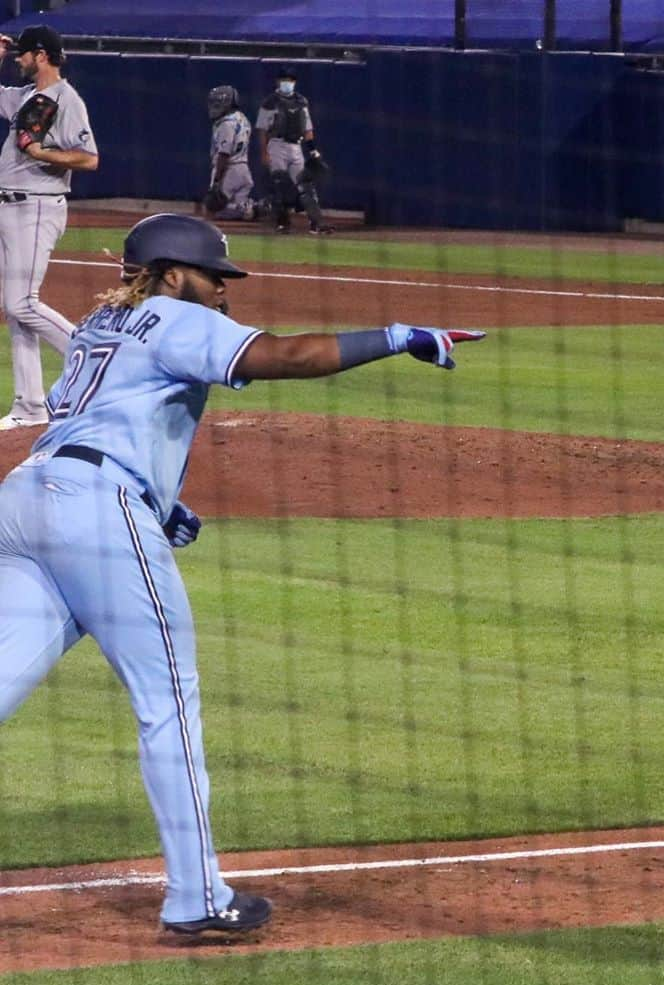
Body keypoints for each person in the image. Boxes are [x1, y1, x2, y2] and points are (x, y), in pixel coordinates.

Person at [0, 213, 485, 934]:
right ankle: (197, 900)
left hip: (27, 501)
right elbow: (287, 356)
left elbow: (100, 426)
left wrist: (158, 503)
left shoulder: (103, 325)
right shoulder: (170, 313)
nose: (223, 292)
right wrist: (395, 336)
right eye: (213, 276)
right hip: (96, 514)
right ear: (170, 273)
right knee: (168, 700)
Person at [0, 25, 98, 431]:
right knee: (15, 310)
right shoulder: (25, 97)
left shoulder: (67, 99)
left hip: (37, 207)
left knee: (23, 303)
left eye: (23, 54)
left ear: (42, 55)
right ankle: (30, 406)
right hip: (9, 206)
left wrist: (43, 152)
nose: (19, 60)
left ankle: (94, 354)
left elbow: (90, 159)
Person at [255, 67, 332, 235]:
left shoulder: (302, 102)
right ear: (278, 81)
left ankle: (316, 223)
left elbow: (308, 129)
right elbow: (263, 130)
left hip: (296, 147)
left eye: (290, 80)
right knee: (280, 183)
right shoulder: (270, 102)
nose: (287, 83)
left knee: (306, 185)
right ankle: (282, 223)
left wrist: (313, 151)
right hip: (276, 145)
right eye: (284, 79)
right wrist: (264, 152)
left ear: (295, 82)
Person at [205, 85, 257, 222]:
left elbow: (224, 154)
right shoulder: (242, 118)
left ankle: (251, 208)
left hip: (229, 170)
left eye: (218, 102)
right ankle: (251, 207)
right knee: (234, 209)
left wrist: (217, 181)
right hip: (244, 168)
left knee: (212, 209)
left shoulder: (226, 123)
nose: (215, 106)